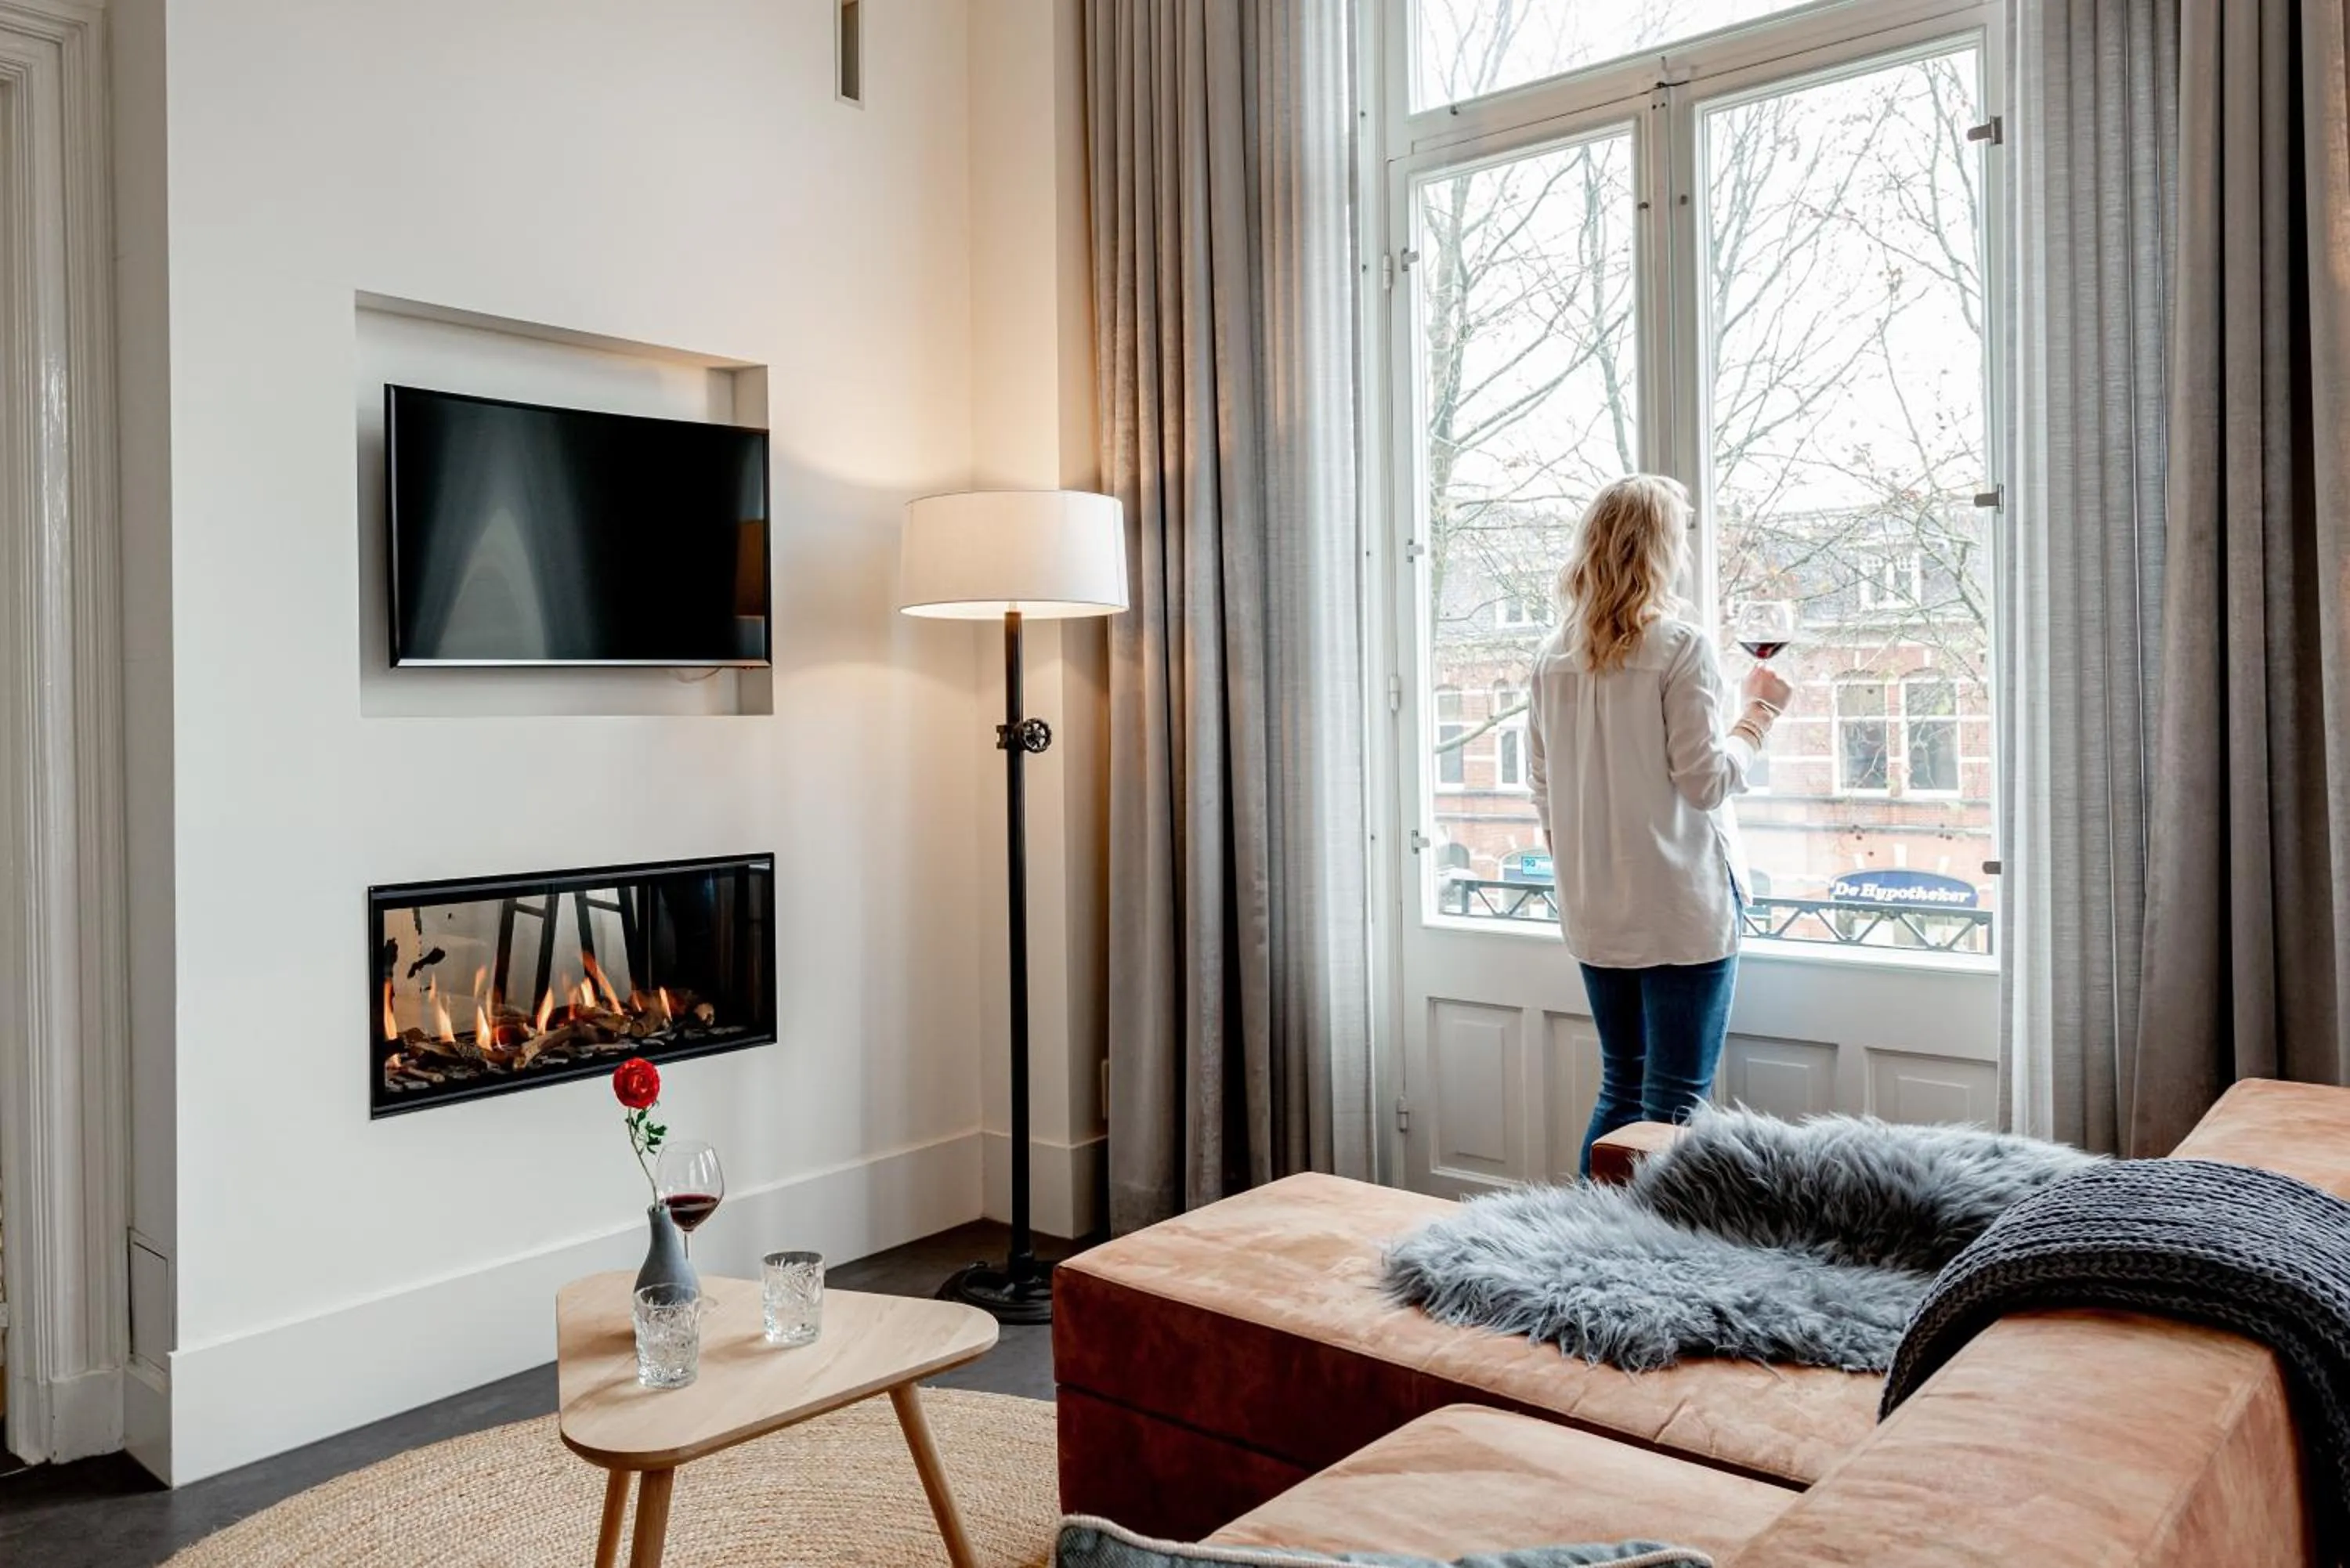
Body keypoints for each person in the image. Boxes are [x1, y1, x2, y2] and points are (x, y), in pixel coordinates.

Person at [1525, 475, 1791, 1177]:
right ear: (1661, 549)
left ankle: (1577, 1249)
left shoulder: (1552, 656)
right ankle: (1636, 1264)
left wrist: (1589, 869)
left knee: (1622, 1086)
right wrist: (1758, 714)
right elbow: (1706, 782)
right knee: (1672, 1104)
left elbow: (1545, 793)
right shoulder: (1679, 645)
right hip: (1678, 911)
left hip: (1595, 910)